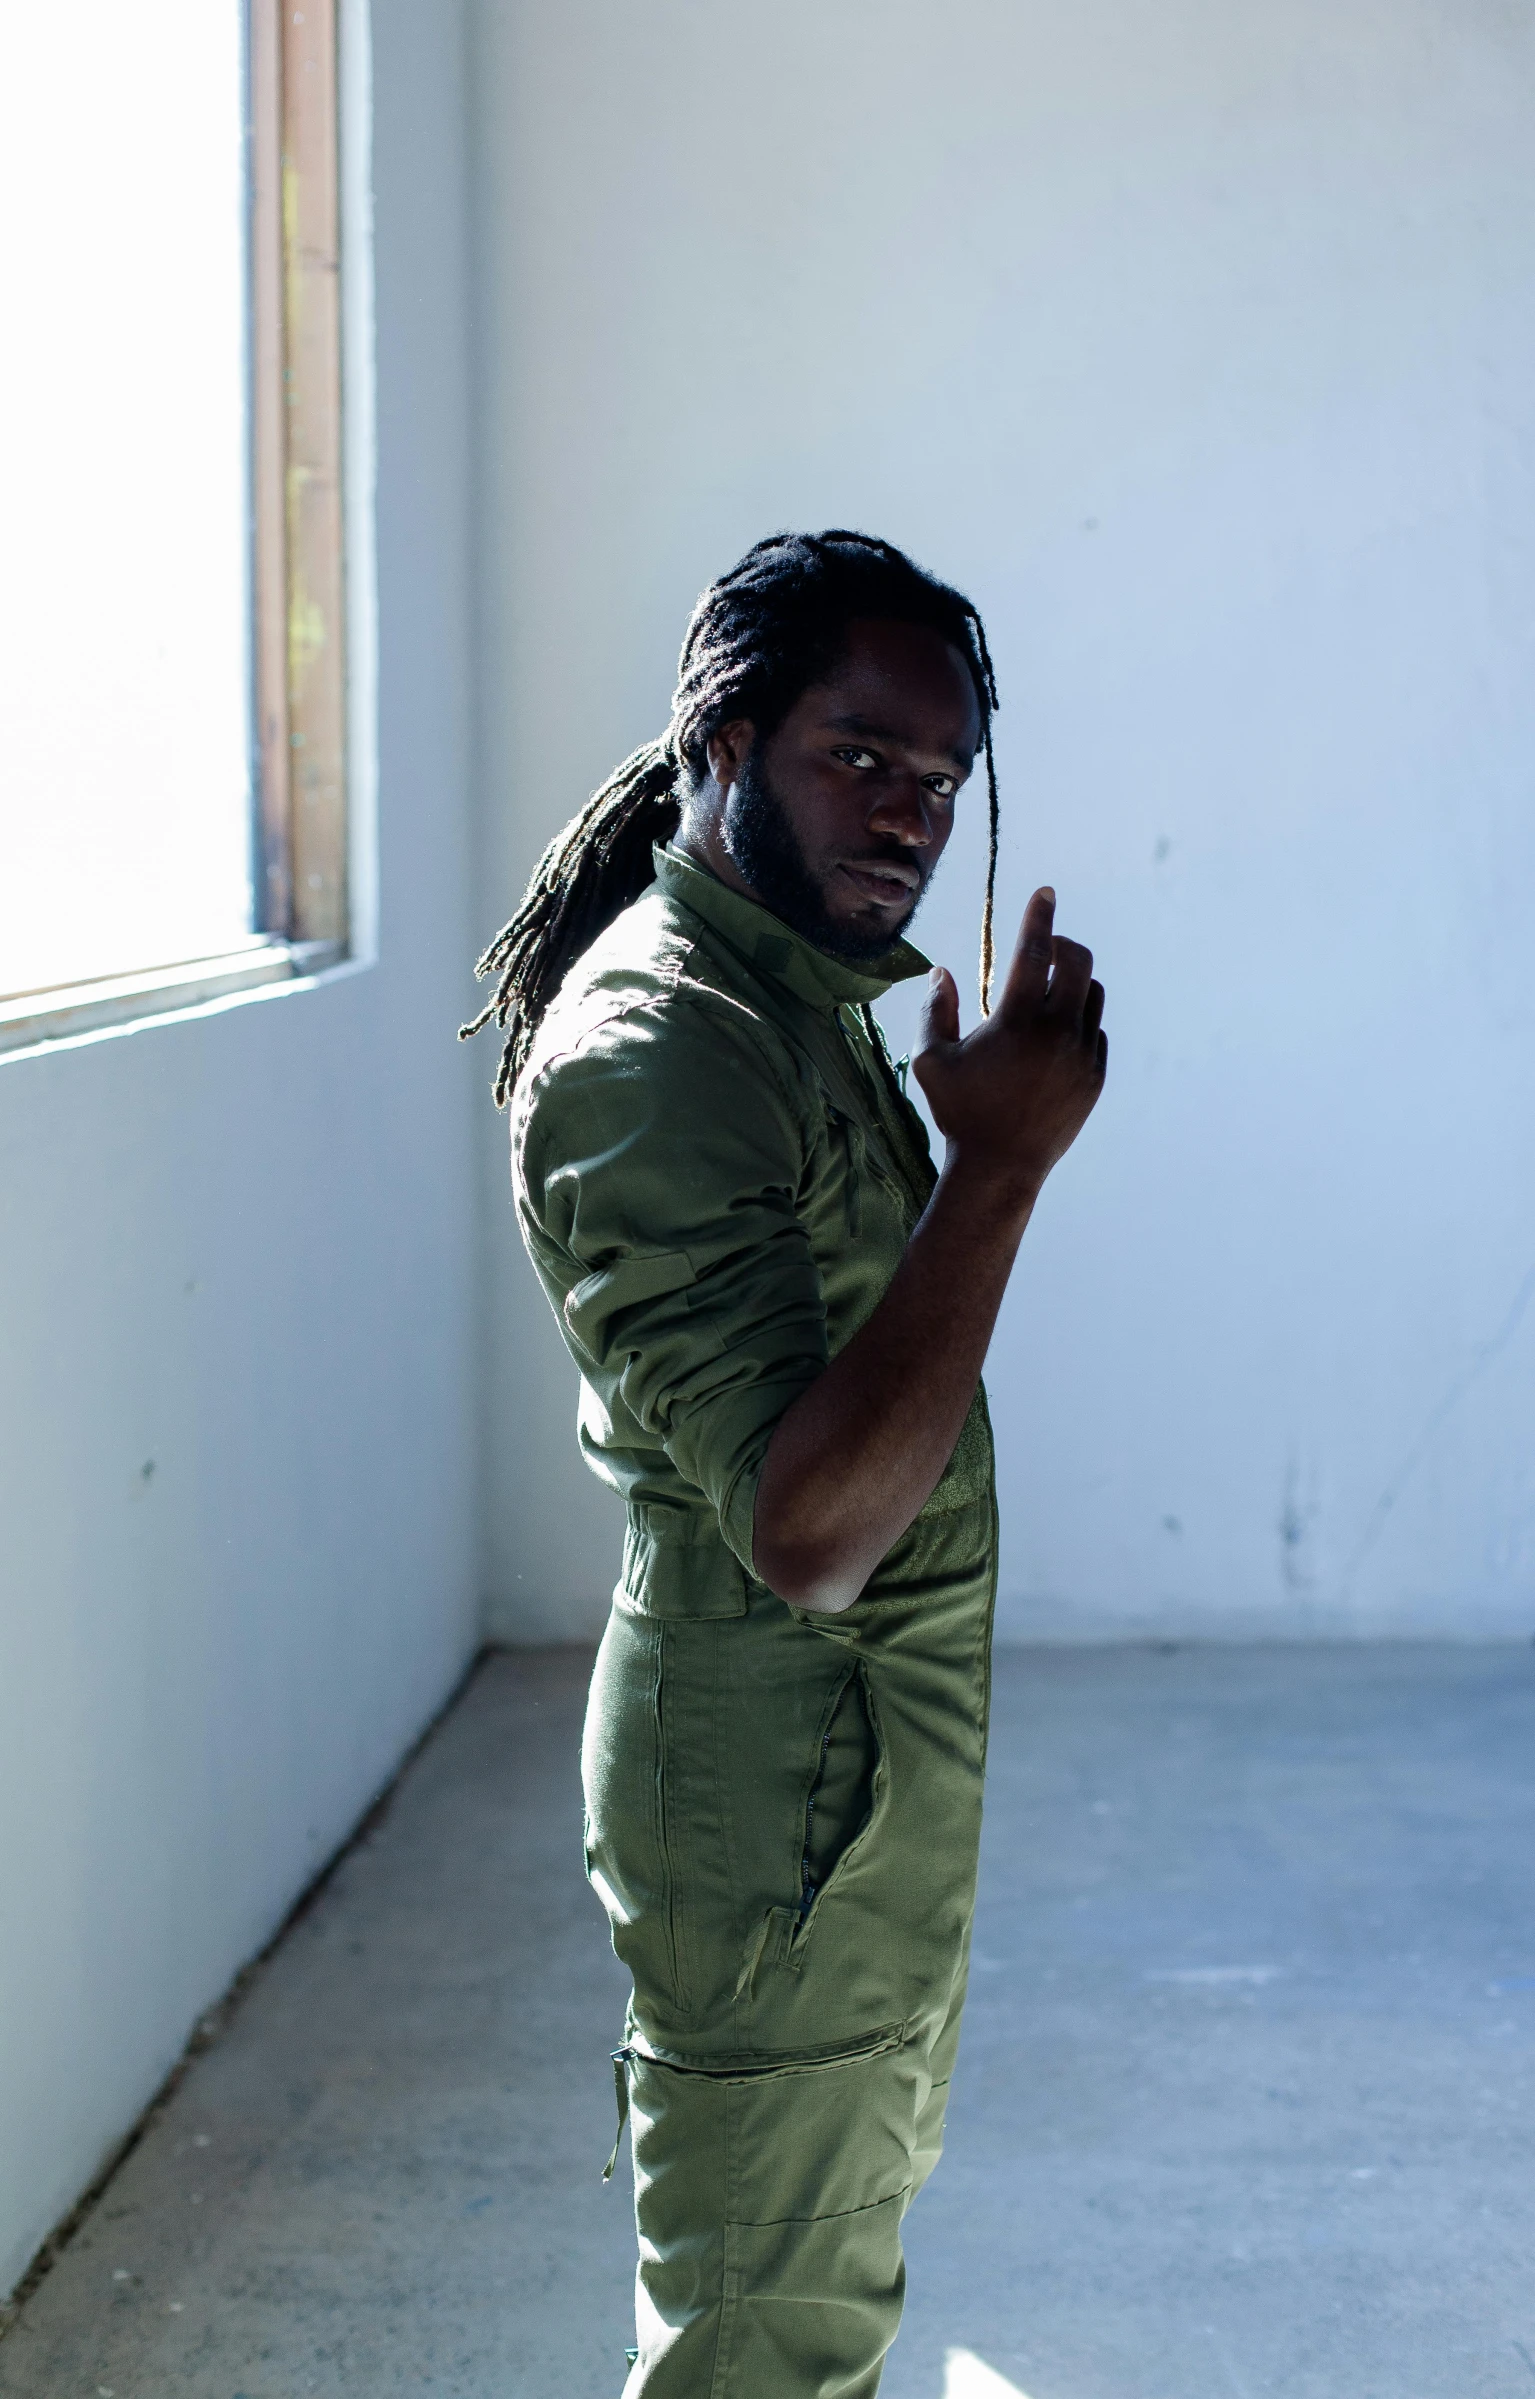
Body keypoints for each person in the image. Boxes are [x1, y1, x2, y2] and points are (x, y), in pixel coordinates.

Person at [462, 530, 1106, 2396]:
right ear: (724, 738)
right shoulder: (661, 1049)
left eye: (937, 780)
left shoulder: (783, 1010)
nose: (907, 814)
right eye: (857, 755)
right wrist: (992, 1170)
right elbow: (809, 1532)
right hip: (776, 1823)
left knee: (812, 2313)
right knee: (758, 2349)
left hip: (856, 1803)